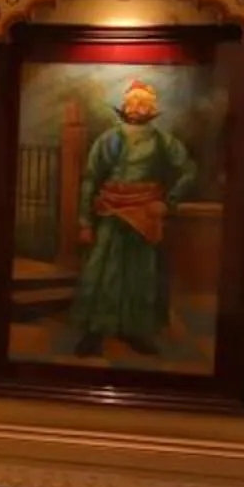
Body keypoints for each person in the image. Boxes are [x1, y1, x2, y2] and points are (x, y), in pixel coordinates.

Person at [72, 78, 201, 358]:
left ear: (151, 109)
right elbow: (90, 179)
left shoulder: (162, 141)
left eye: (143, 104)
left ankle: (135, 331)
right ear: (125, 106)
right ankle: (94, 331)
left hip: (144, 214)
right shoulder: (109, 139)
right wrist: (84, 222)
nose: (137, 108)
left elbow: (189, 170)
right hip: (110, 211)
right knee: (101, 272)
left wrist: (168, 203)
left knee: (140, 275)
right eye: (133, 102)